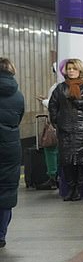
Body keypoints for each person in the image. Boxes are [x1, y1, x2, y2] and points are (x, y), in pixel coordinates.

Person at [48, 59, 83, 202]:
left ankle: (78, 189)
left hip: (82, 130)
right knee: (66, 161)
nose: (71, 71)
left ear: (79, 71)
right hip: (65, 130)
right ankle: (70, 188)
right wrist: (56, 120)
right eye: (68, 68)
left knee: (81, 161)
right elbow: (53, 105)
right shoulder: (60, 88)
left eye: (73, 68)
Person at [0, 58, 24, 247]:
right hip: (10, 146)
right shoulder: (18, 95)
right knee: (7, 190)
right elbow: (18, 118)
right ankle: (1, 236)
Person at [35, 69, 60, 191]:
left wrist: (44, 101)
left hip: (55, 123)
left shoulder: (57, 86)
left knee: (50, 148)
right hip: (65, 125)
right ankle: (59, 177)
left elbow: (53, 104)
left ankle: (53, 177)